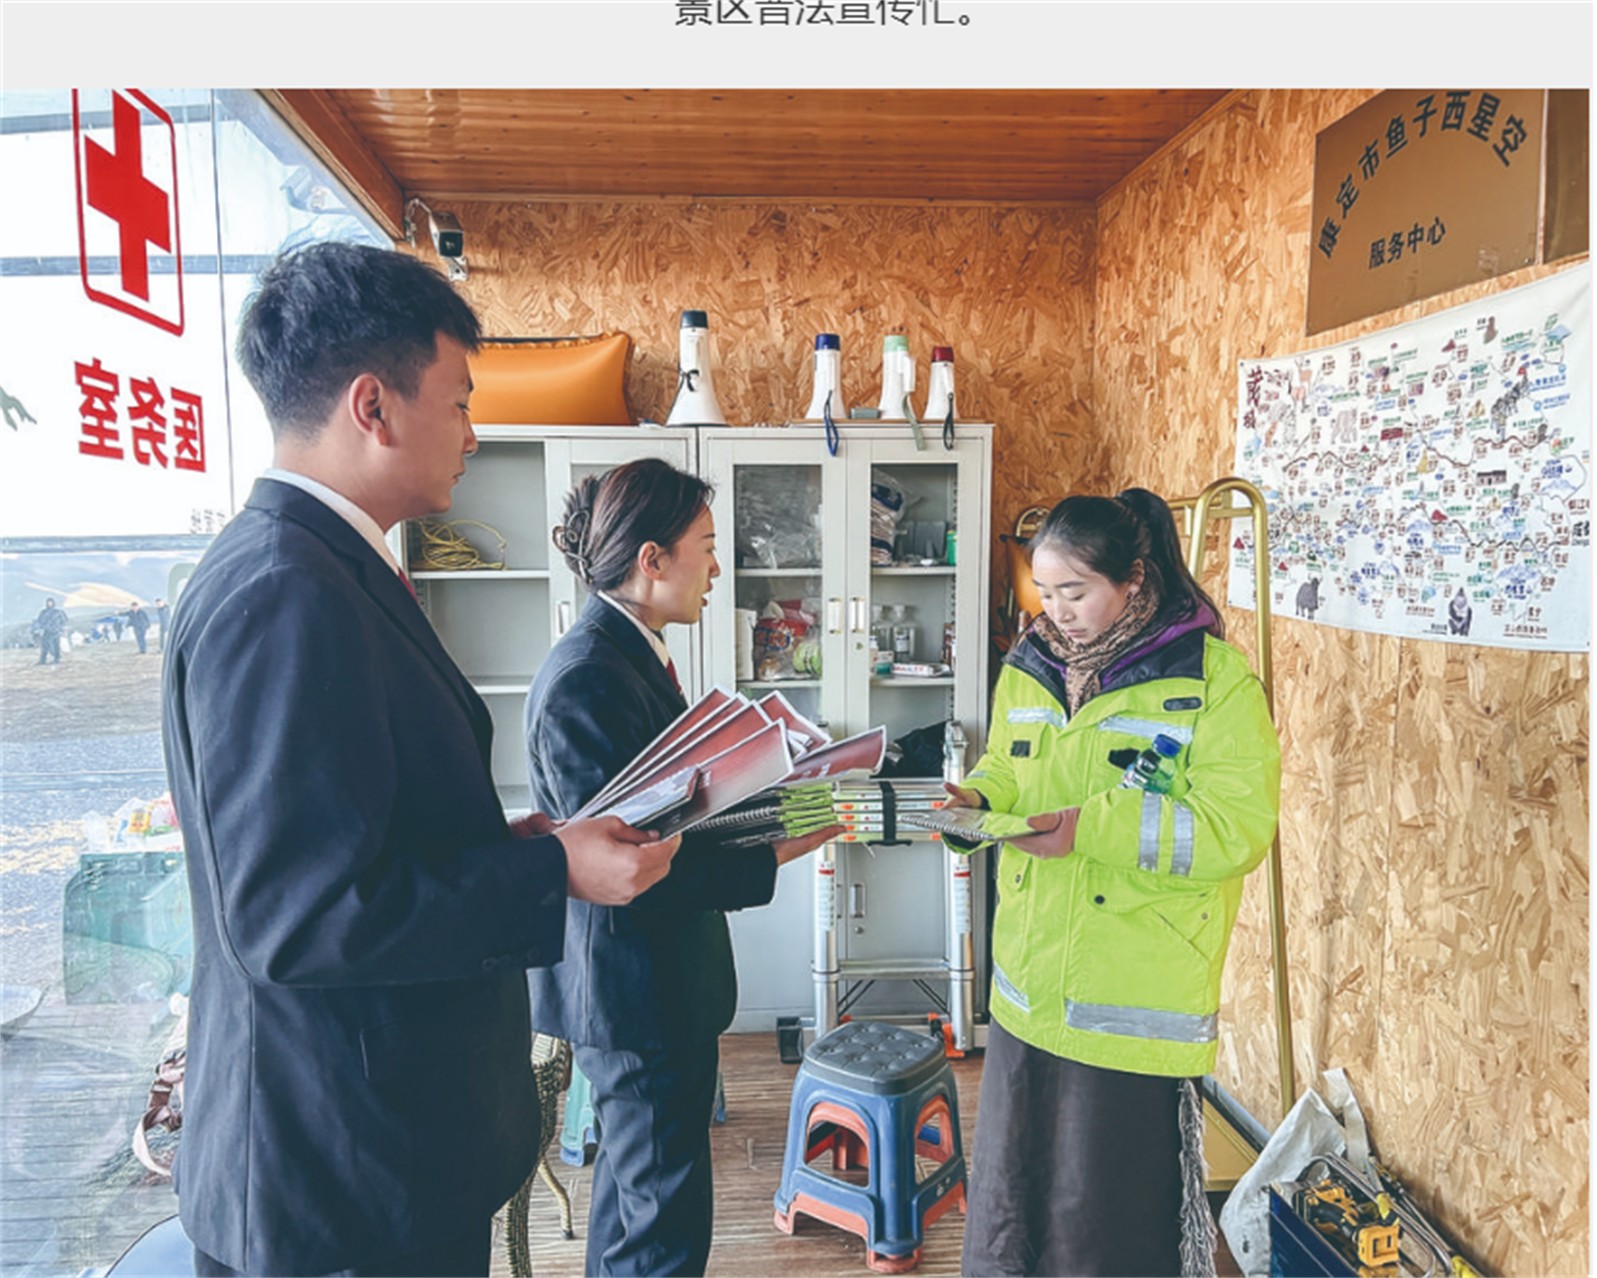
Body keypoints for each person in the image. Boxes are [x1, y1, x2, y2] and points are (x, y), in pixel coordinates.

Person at [162, 241, 681, 1278]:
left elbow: (351, 832)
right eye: (459, 403)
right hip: (340, 1171)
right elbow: (297, 916)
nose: (473, 435)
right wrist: (551, 871)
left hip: (373, 1149)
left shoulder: (321, 568)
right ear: (373, 406)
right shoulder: (287, 592)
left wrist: (513, 841)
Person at [945, 489, 1281, 1278]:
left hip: (1130, 994)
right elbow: (1007, 767)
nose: (1055, 611)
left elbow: (1235, 827)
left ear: (1133, 578)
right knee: (1013, 1200)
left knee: (1104, 1220)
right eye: (1044, 591)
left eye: (1074, 591)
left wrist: (1088, 828)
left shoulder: (1211, 681)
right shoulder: (1030, 663)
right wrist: (978, 799)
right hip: (1029, 986)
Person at [523, 458, 841, 1278]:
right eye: (706, 546)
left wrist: (772, 798)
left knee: (639, 1204)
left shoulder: (626, 656)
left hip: (651, 986)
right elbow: (626, 868)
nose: (717, 568)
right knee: (660, 1223)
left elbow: (668, 815)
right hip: (634, 990)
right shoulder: (590, 678)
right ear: (651, 559)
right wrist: (776, 848)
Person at [33, 597, 66, 664]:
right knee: (44, 646)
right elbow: (39, 621)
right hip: (46, 631)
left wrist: (60, 628)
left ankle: (56, 659)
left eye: (51, 602)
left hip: (55, 631)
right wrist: (39, 629)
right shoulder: (43, 612)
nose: (50, 604)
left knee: (55, 646)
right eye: (48, 602)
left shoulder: (58, 612)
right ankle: (43, 660)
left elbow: (63, 621)